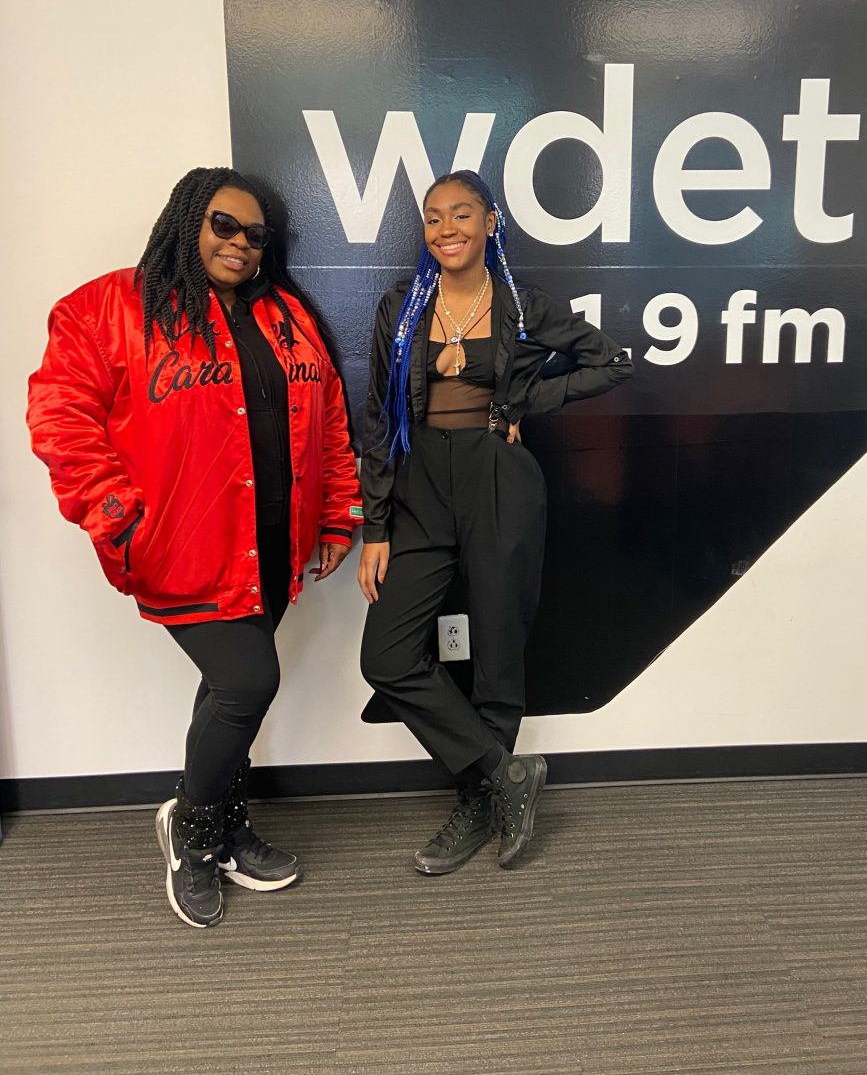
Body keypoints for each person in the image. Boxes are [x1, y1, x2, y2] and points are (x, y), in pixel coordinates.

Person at [27, 167, 362, 928]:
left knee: (225, 694)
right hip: (184, 547)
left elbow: (330, 418)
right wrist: (120, 516)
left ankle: (228, 824)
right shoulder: (109, 309)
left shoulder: (288, 316)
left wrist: (339, 515)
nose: (240, 243)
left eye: (255, 234)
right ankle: (193, 831)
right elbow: (61, 416)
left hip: (273, 547)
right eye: (223, 224)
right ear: (187, 220)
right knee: (247, 682)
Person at [358, 170, 633, 874]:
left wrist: (519, 406)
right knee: (387, 655)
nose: (446, 228)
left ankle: (478, 801)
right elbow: (380, 420)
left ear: (489, 223)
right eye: (433, 217)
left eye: (461, 214)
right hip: (420, 484)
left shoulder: (517, 303)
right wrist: (376, 526)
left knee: (498, 649)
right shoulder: (404, 304)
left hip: (498, 479)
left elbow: (608, 361)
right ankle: (502, 773)